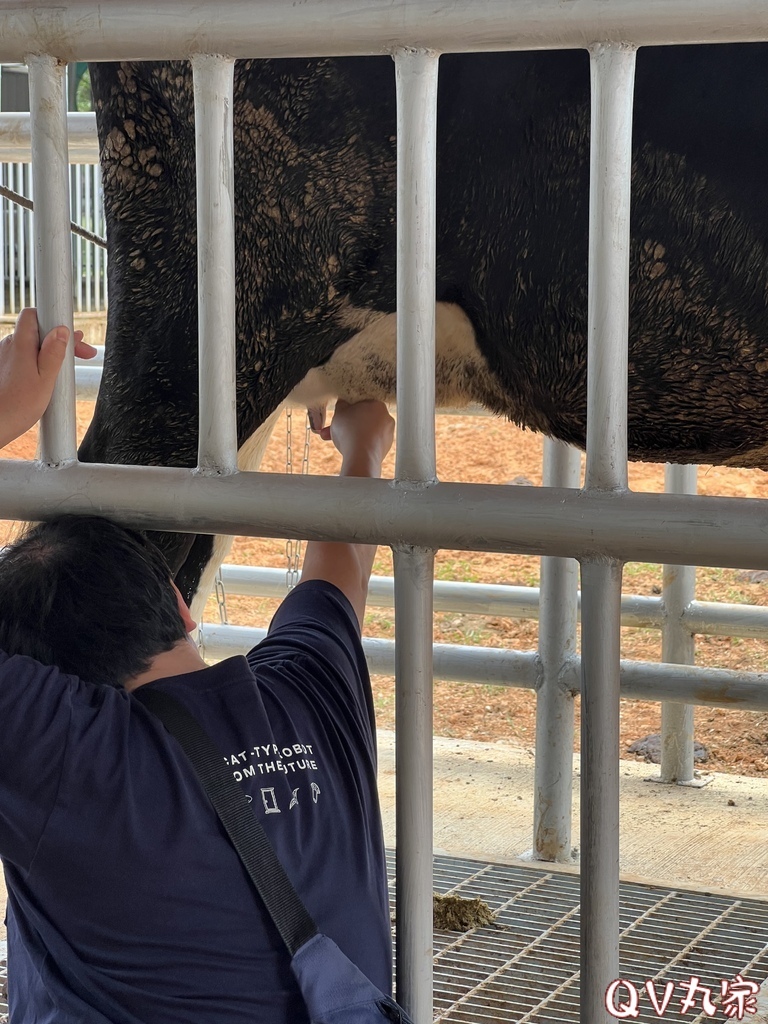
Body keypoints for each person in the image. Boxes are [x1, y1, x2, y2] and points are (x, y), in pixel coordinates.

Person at [0, 308, 396, 1023]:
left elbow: (339, 574)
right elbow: (340, 567)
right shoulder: (312, 693)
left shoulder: (60, 757)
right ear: (182, 608)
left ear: (42, 678)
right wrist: (361, 450)